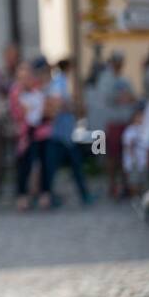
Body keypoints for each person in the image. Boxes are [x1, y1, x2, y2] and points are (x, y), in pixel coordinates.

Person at [46, 58, 93, 205]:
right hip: (60, 133)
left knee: (73, 165)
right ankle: (50, 196)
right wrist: (75, 106)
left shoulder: (61, 82)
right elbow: (59, 103)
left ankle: (83, 195)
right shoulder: (59, 82)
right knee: (55, 167)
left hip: (65, 132)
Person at [10, 57, 55, 210]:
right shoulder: (16, 91)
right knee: (25, 165)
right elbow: (18, 113)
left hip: (43, 131)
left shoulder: (39, 88)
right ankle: (22, 196)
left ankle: (45, 194)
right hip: (26, 134)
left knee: (45, 164)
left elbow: (49, 108)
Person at [96, 52, 137, 200]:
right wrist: (121, 96)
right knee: (112, 155)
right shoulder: (105, 79)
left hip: (125, 121)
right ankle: (112, 185)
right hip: (112, 121)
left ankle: (126, 184)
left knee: (125, 154)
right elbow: (106, 98)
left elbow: (133, 97)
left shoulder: (125, 79)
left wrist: (128, 97)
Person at [0, 43, 20, 201]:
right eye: (9, 55)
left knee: (18, 155)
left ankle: (19, 187)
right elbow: (5, 88)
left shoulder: (20, 72)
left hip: (16, 118)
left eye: (13, 56)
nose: (11, 59)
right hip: (1, 117)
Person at [123, 104, 148, 200]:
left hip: (143, 161)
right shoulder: (130, 130)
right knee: (134, 181)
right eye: (139, 116)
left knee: (142, 180)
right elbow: (128, 146)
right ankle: (134, 198)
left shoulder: (144, 130)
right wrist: (133, 159)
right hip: (135, 161)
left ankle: (140, 198)